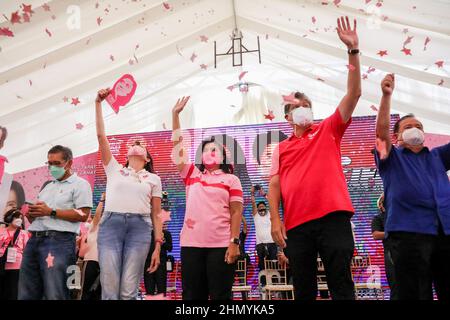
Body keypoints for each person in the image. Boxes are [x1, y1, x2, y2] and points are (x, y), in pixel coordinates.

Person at [269, 16, 361, 300]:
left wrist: (353, 51)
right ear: (287, 116)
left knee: (341, 284)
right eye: (296, 107)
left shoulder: (328, 129)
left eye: (306, 105)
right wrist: (275, 220)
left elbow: (354, 93)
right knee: (303, 288)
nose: (302, 110)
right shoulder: (281, 148)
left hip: (334, 218)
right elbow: (274, 185)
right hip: (297, 224)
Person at [374, 73, 450, 300]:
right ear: (398, 135)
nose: (415, 128)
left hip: (444, 232)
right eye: (409, 126)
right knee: (416, 293)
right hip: (408, 234)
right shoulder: (392, 157)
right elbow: (381, 134)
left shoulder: (437, 156)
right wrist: (386, 96)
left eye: (419, 126)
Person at [172, 96, 244, 300]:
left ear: (223, 156)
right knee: (193, 296)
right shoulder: (192, 174)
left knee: (221, 295)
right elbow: (178, 149)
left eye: (214, 149)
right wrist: (175, 115)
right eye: (205, 149)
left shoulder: (232, 180)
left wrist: (234, 242)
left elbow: (236, 212)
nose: (209, 152)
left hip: (221, 246)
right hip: (191, 245)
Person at [95, 88, 163, 300]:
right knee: (110, 287)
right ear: (126, 154)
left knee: (128, 289)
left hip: (140, 228)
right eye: (133, 144)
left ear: (148, 158)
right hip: (111, 225)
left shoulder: (154, 179)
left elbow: (157, 214)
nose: (136, 145)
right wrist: (98, 103)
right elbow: (100, 136)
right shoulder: (114, 168)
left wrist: (158, 247)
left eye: (141, 145)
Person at [18, 145, 93, 300]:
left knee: (55, 292)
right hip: (34, 239)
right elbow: (42, 215)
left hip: (58, 241)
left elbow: (83, 214)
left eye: (57, 163)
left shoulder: (80, 184)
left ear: (69, 163)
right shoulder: (48, 187)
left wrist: (51, 211)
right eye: (49, 163)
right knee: (27, 291)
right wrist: (31, 214)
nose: (52, 167)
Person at [371, 193, 398, 300]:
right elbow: (376, 235)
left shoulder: (399, 216)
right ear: (381, 204)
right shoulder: (378, 218)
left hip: (405, 251)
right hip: (390, 253)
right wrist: (392, 232)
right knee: (396, 286)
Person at [79, 193, 105, 300]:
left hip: (105, 264)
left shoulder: (111, 230)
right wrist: (102, 201)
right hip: (91, 261)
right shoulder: (94, 227)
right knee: (86, 292)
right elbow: (98, 215)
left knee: (99, 294)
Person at [251, 186, 277, 286]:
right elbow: (253, 203)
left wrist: (264, 194)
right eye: (260, 208)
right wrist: (252, 193)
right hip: (260, 245)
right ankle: (264, 286)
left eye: (263, 207)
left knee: (273, 265)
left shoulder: (270, 214)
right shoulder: (255, 215)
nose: (261, 209)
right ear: (257, 209)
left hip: (272, 243)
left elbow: (272, 202)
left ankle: (274, 287)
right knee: (261, 266)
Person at [0, 209, 29, 299]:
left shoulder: (23, 233)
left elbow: (27, 251)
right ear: (9, 218)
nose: (19, 220)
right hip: (1, 265)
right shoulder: (1, 231)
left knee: (13, 292)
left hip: (17, 267)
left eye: (21, 218)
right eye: (17, 217)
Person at [144, 224, 173, 296]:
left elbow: (170, 248)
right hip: (148, 263)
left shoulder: (166, 233)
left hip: (161, 264)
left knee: (161, 289)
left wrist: (163, 242)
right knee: (149, 290)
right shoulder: (146, 233)